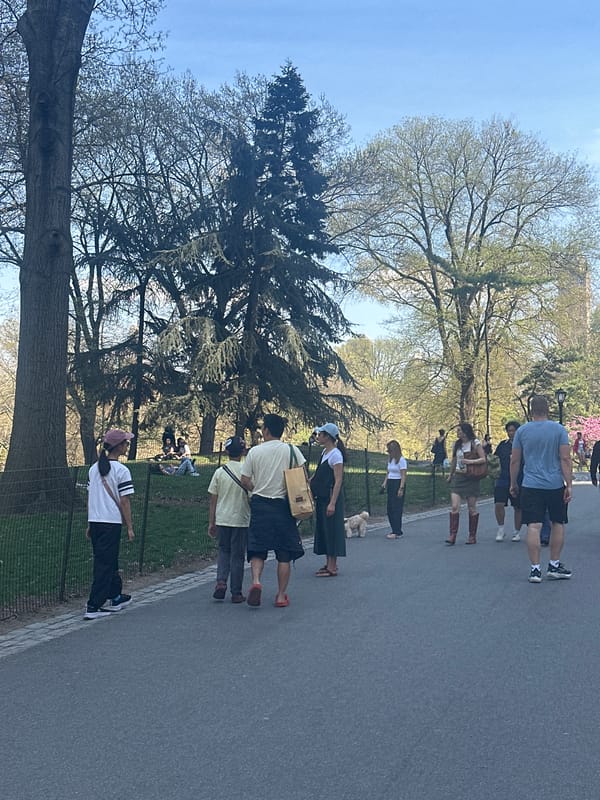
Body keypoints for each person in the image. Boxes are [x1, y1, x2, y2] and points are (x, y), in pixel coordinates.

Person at [240, 413, 305, 608]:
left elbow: (244, 480)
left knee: (257, 549)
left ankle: (256, 581)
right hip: (283, 505)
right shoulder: (291, 450)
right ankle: (281, 595)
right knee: (284, 553)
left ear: (266, 430)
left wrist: (256, 488)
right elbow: (301, 476)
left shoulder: (255, 452)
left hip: (260, 504)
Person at [509, 394, 572, 583]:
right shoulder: (559, 429)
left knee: (534, 526)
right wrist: (568, 484)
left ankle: (535, 569)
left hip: (531, 484)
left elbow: (515, 460)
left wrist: (513, 483)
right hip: (554, 484)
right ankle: (554, 564)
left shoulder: (522, 431)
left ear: (531, 411)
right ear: (548, 409)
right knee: (557, 523)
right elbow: (565, 458)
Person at [84, 429, 135, 619]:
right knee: (104, 564)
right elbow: (124, 501)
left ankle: (114, 596)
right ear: (119, 446)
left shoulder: (93, 469)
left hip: (96, 521)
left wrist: (89, 522)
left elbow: (90, 497)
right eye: (126, 443)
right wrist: (129, 526)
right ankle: (94, 604)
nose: (127, 446)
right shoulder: (122, 471)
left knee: (108, 559)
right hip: (111, 521)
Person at [207, 435, 249, 603]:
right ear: (244, 451)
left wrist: (211, 522)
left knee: (224, 551)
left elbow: (213, 500)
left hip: (222, 518)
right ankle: (236, 592)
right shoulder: (247, 472)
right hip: (241, 519)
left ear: (226, 452)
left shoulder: (220, 472)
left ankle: (221, 581)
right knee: (238, 555)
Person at [310, 423, 346, 576]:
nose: (318, 437)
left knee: (332, 530)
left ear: (328, 437)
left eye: (321, 434)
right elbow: (319, 473)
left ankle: (332, 567)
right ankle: (328, 563)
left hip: (331, 497)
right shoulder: (325, 452)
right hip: (322, 497)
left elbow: (338, 480)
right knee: (325, 530)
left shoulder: (336, 455)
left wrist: (332, 503)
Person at [445, 423, 487, 545]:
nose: (457, 432)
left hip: (471, 477)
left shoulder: (475, 443)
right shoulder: (457, 444)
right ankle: (452, 535)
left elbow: (483, 459)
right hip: (458, 477)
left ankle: (472, 536)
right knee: (455, 506)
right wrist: (450, 474)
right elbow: (454, 460)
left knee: (471, 508)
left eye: (459, 430)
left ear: (465, 432)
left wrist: (469, 461)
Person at [493, 421, 523, 542]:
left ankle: (517, 531)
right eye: (509, 431)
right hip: (503, 478)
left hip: (518, 478)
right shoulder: (502, 445)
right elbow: (495, 459)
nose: (511, 433)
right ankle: (501, 529)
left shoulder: (523, 445)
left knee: (517, 506)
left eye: (513, 430)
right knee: (499, 504)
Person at [382, 440, 407, 540]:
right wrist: (384, 483)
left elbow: (403, 475)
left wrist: (401, 488)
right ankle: (393, 529)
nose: (389, 452)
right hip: (390, 483)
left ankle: (397, 531)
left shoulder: (401, 460)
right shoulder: (390, 460)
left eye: (390, 450)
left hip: (398, 483)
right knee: (390, 508)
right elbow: (388, 472)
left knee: (396, 508)